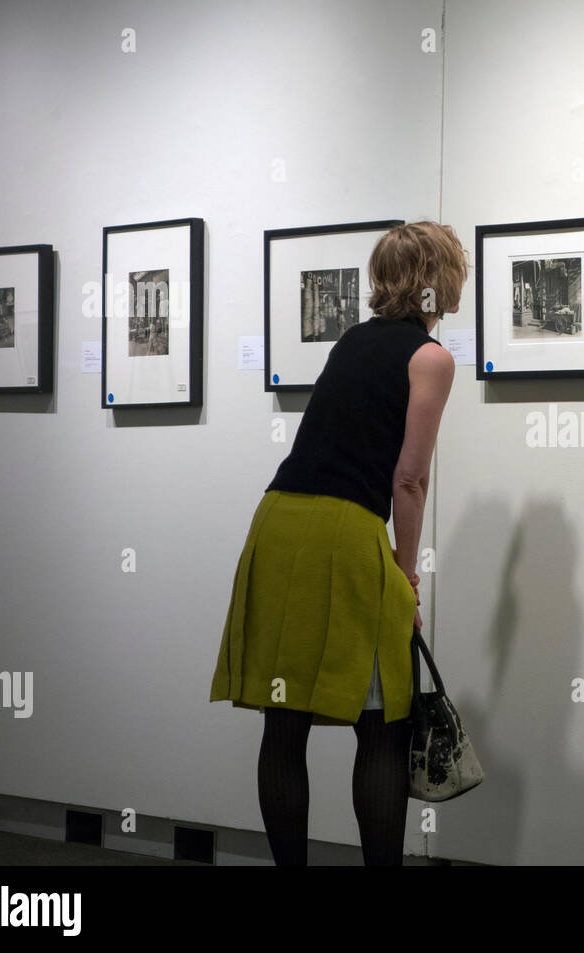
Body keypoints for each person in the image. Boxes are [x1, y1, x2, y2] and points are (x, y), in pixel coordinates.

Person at [209, 221, 464, 865]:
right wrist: (405, 581)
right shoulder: (430, 359)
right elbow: (409, 479)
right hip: (346, 530)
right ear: (440, 279)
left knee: (284, 718)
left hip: (278, 522)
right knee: (382, 725)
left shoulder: (351, 341)